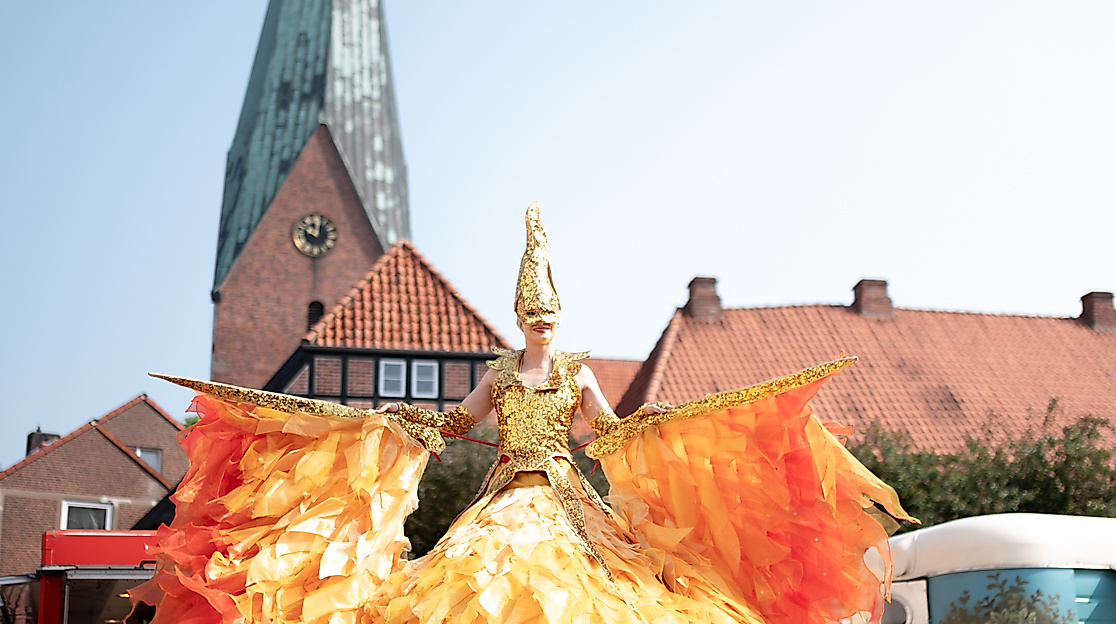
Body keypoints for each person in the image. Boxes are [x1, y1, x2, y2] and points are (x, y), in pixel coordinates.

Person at [132, 203, 913, 624]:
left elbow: (609, 430)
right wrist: (394, 426)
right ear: (519, 318)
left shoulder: (574, 372)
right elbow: (458, 420)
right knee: (473, 584)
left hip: (569, 501)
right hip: (504, 497)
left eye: (549, 316)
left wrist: (673, 422)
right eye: (531, 316)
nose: (542, 325)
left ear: (560, 317)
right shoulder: (500, 371)